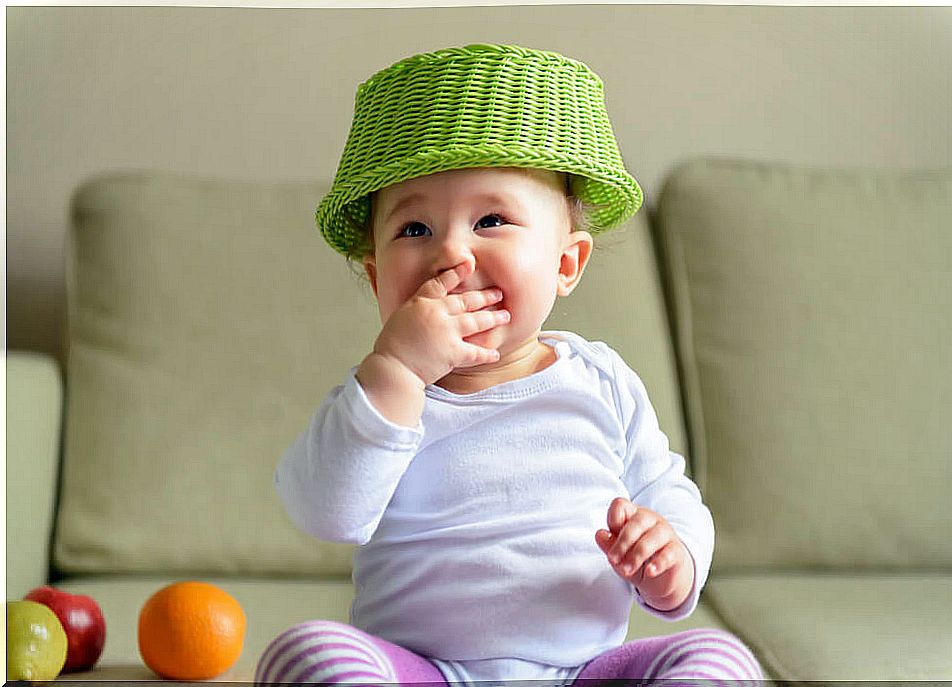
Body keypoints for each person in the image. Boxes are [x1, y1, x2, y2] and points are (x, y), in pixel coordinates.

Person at [256, 44, 763, 686]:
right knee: (309, 654)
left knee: (717, 660)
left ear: (565, 264)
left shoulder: (599, 381)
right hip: (423, 671)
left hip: (583, 670)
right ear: (378, 276)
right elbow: (326, 511)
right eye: (414, 229)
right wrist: (398, 371)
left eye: (491, 219)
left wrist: (674, 557)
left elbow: (666, 491)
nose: (451, 253)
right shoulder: (380, 397)